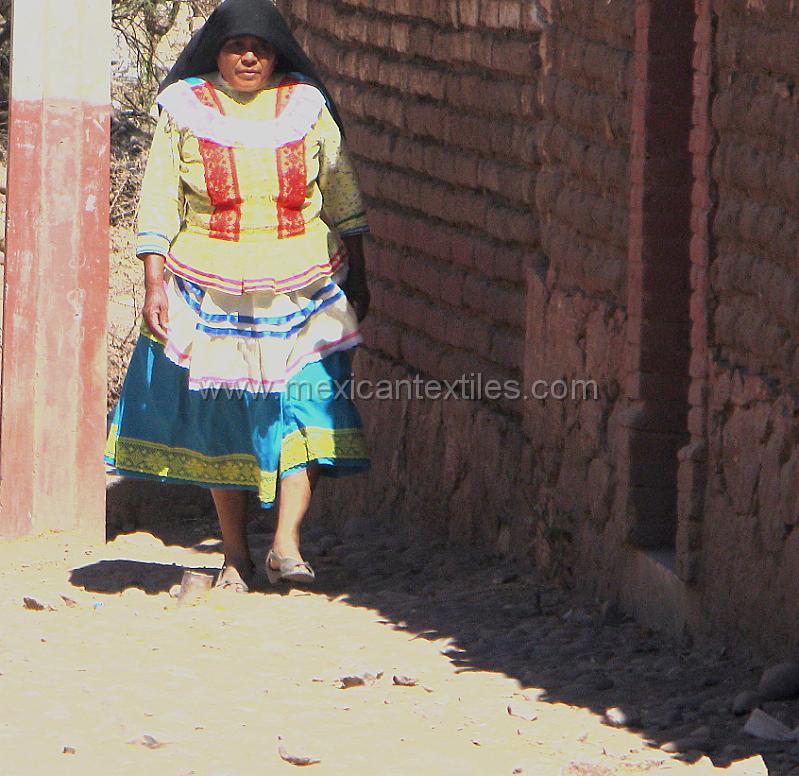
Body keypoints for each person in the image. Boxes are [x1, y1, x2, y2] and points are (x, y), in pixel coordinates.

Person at [105, 0, 371, 593]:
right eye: (236, 47)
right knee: (230, 416)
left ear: (278, 55)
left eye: (261, 47)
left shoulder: (306, 107)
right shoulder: (184, 111)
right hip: (211, 283)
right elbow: (159, 198)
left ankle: (286, 545)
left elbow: (342, 187)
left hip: (303, 280)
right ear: (216, 53)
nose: (249, 56)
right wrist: (153, 281)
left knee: (305, 403)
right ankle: (234, 554)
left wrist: (362, 273)